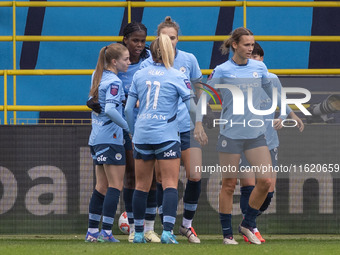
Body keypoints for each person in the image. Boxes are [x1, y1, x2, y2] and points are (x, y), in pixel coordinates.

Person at [195, 27, 303, 245]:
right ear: (235, 45)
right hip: (230, 135)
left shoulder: (259, 67)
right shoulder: (222, 70)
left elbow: (273, 92)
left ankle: (247, 223)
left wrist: (287, 113)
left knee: (265, 181)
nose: (250, 48)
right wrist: (199, 124)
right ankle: (227, 235)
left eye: (252, 45)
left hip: (255, 135)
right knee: (228, 184)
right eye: (246, 44)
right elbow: (204, 97)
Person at [87, 22, 160, 243]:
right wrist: (93, 103)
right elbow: (98, 100)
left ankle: (145, 227)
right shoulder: (111, 75)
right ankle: (126, 228)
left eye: (142, 40)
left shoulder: (149, 64)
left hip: (142, 128)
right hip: (120, 133)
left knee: (149, 178)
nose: (139, 45)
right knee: (125, 180)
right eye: (135, 40)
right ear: (125, 40)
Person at [125, 33, 196, 244]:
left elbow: (129, 109)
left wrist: (132, 131)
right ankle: (167, 232)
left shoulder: (139, 74)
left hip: (143, 133)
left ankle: (138, 233)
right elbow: (192, 108)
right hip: (166, 135)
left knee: (141, 185)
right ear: (169, 52)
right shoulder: (177, 75)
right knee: (170, 184)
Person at [140, 16, 203, 244]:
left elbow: (199, 90)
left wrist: (199, 122)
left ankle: (186, 225)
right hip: (162, 130)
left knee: (195, 175)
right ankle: (154, 227)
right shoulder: (148, 63)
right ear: (158, 39)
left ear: (178, 38)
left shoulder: (189, 59)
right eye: (165, 37)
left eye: (173, 37)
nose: (170, 41)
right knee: (162, 180)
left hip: (186, 127)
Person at [238, 42, 305, 243]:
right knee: (249, 185)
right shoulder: (241, 81)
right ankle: (251, 228)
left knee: (267, 191)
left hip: (269, 142)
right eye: (251, 58)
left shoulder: (272, 79)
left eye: (258, 57)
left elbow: (282, 102)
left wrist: (284, 118)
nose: (255, 61)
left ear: (262, 60)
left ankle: (248, 222)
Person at [85, 43, 130, 243]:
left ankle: (92, 232)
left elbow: (93, 103)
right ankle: (107, 232)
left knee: (101, 186)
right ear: (114, 61)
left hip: (95, 137)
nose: (129, 62)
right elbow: (111, 110)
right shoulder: (114, 82)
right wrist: (130, 128)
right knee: (115, 185)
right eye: (126, 59)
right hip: (110, 138)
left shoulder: (97, 74)